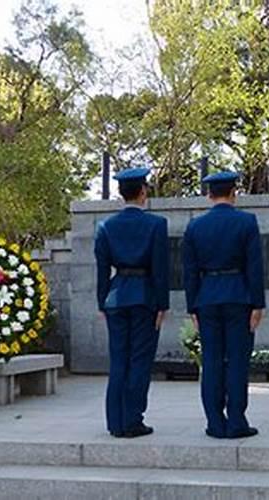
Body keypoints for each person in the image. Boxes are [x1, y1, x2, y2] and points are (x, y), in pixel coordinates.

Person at [183, 171, 265, 439]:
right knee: (238, 361)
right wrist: (257, 304)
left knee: (212, 361)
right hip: (239, 297)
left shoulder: (195, 226)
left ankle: (215, 422)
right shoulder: (247, 222)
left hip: (207, 298)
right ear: (234, 193)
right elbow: (254, 267)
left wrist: (192, 307)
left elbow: (190, 271)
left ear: (209, 195)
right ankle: (237, 420)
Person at [94, 166, 169, 439]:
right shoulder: (156, 224)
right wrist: (163, 304)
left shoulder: (105, 227)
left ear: (120, 193)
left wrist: (102, 302)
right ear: (143, 192)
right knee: (139, 360)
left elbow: (102, 270)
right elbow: (161, 268)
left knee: (118, 360)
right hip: (145, 297)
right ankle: (133, 419)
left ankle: (115, 421)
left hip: (116, 296)